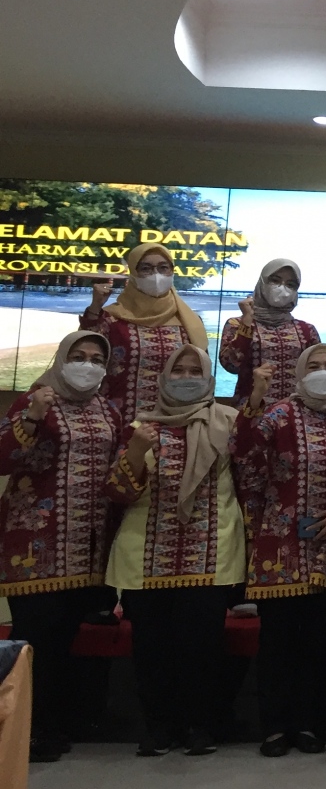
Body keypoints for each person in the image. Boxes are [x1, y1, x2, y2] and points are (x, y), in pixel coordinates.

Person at [104, 344, 245, 756]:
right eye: (178, 371)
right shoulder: (141, 426)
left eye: (194, 371)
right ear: (164, 378)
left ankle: (200, 726)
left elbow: (249, 481)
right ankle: (159, 728)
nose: (186, 378)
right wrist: (136, 450)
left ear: (209, 378)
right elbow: (118, 492)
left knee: (202, 647)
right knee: (152, 648)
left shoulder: (230, 422)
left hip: (210, 548)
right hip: (146, 550)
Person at [0, 332, 120, 762]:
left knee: (69, 641)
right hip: (36, 548)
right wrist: (32, 417)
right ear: (61, 358)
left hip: (87, 548)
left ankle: (59, 723)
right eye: (78, 356)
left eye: (96, 358)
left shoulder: (108, 410)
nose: (87, 365)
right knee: (36, 642)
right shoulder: (34, 400)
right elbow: (2, 458)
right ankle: (24, 729)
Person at [233, 344, 326, 757]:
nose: (322, 371)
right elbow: (243, 452)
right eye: (314, 365)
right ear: (300, 373)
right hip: (279, 545)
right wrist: (255, 398)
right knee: (278, 643)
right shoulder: (279, 414)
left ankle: (309, 723)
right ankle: (274, 726)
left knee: (319, 644)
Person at [80, 242, 211, 427]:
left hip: (176, 421)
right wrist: (95, 307)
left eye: (163, 268)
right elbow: (83, 353)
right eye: (146, 268)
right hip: (119, 419)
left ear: (172, 271)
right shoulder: (112, 318)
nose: (156, 275)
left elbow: (203, 373)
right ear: (133, 273)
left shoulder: (189, 320)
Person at [218, 258, 320, 406]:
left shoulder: (307, 330)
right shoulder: (236, 324)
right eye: (275, 280)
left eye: (290, 284)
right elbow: (231, 366)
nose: (282, 288)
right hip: (250, 411)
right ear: (262, 282)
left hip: (295, 413)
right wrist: (247, 322)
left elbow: (317, 373)